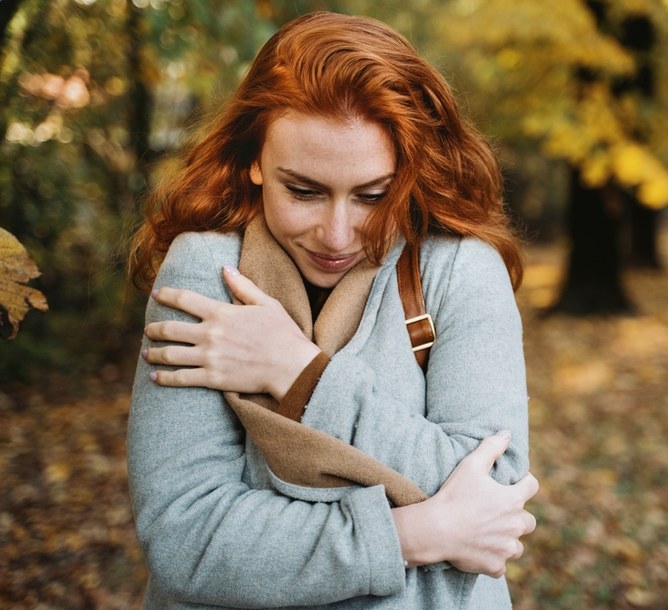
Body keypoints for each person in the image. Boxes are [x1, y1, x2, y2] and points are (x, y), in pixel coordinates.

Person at [126, 10, 537, 610]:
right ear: (255, 160)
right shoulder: (205, 274)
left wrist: (297, 375)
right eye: (304, 191)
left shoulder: (459, 271)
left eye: (373, 195)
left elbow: (495, 492)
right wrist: (414, 534)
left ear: (409, 172)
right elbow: (187, 539)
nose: (337, 234)